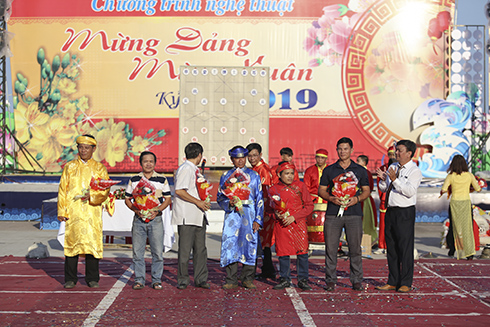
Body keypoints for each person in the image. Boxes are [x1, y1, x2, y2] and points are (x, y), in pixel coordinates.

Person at [57, 134, 110, 289]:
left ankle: (92, 278)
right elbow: (62, 189)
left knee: (91, 244)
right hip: (73, 212)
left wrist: (92, 196)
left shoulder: (99, 168)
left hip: (91, 212)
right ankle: (70, 278)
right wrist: (62, 210)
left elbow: (105, 189)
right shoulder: (70, 167)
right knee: (72, 245)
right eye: (81, 147)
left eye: (87, 147)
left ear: (93, 149)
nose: (83, 150)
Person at [318, 137, 370, 292]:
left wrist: (357, 199)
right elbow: (321, 190)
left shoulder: (360, 170)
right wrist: (331, 198)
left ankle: (356, 280)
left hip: (354, 214)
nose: (342, 152)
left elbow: (366, 190)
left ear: (352, 150)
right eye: (340, 149)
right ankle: (330, 280)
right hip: (333, 214)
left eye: (346, 149)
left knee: (355, 248)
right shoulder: (329, 170)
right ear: (336, 150)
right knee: (331, 248)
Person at [376, 140, 422, 293]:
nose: (396, 153)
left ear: (409, 153)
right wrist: (384, 180)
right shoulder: (392, 167)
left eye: (399, 150)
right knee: (392, 248)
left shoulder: (414, 170)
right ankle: (393, 280)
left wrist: (395, 180)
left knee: (405, 248)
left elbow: (409, 191)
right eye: (396, 150)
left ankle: (406, 282)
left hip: (405, 211)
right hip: (391, 210)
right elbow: (385, 189)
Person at [217, 145, 263, 289]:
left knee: (250, 243)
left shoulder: (254, 176)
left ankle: (247, 278)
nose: (240, 161)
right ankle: (231, 279)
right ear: (232, 159)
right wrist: (228, 202)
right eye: (237, 158)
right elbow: (220, 197)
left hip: (249, 214)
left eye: (243, 157)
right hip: (232, 215)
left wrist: (258, 220)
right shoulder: (225, 177)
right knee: (231, 243)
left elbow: (259, 198)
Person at [125, 151, 171, 290]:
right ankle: (139, 279)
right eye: (145, 161)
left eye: (151, 161)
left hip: (155, 220)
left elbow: (168, 199)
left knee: (157, 252)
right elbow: (127, 198)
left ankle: (156, 280)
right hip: (139, 220)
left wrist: (157, 210)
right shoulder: (134, 180)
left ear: (155, 163)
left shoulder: (162, 179)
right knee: (138, 252)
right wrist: (136, 210)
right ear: (141, 163)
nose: (148, 164)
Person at [268, 161, 314, 290]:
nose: (289, 176)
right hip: (282, 226)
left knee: (303, 253)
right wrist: (277, 216)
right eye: (286, 173)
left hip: (298, 225)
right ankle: (284, 279)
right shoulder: (273, 189)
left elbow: (309, 206)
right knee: (283, 253)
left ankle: (303, 280)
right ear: (279, 174)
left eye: (292, 173)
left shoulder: (300, 186)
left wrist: (294, 217)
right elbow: (269, 211)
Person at [172, 142, 212, 289]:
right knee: (185, 250)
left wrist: (203, 201)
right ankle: (183, 280)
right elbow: (179, 191)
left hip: (198, 215)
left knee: (200, 249)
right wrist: (198, 202)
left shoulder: (195, 170)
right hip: (187, 214)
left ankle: (201, 278)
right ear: (200, 155)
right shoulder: (185, 169)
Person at [440, 154, 481, 260]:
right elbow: (478, 189)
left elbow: (444, 189)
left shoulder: (451, 176)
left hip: (454, 203)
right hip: (466, 203)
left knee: (454, 226)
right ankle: (469, 253)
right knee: (467, 228)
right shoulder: (469, 175)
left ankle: (453, 249)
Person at [246, 143, 275, 279]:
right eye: (249, 156)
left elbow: (263, 193)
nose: (252, 158)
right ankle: (266, 269)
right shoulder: (255, 169)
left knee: (262, 242)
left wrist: (258, 214)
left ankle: (266, 270)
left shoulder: (262, 170)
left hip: (263, 211)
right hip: (261, 210)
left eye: (254, 155)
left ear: (260, 155)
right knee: (262, 242)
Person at [374, 146, 396, 254]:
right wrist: (383, 197)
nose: (392, 156)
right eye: (390, 154)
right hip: (384, 201)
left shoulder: (399, 168)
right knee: (383, 225)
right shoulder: (383, 168)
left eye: (394, 154)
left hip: (396, 202)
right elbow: (380, 185)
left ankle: (390, 247)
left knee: (394, 226)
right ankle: (381, 246)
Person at [356, 155, 377, 245]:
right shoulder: (356, 172)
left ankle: (368, 241)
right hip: (357, 198)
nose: (356, 163)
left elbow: (370, 187)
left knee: (366, 220)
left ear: (364, 163)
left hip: (364, 199)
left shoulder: (366, 173)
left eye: (358, 161)